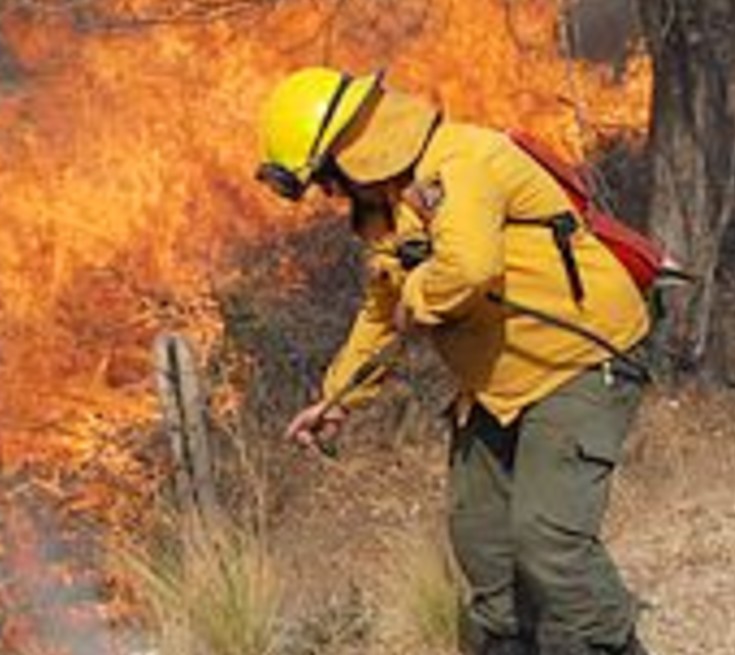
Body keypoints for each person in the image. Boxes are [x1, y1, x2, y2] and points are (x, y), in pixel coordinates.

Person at [255, 66, 655, 655]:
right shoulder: (390, 209)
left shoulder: (462, 163)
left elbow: (467, 271)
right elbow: (382, 310)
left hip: (579, 361)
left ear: (353, 153)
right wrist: (337, 397)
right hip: (498, 384)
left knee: (549, 542)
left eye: (328, 181)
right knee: (483, 539)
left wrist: (416, 299)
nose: (331, 196)